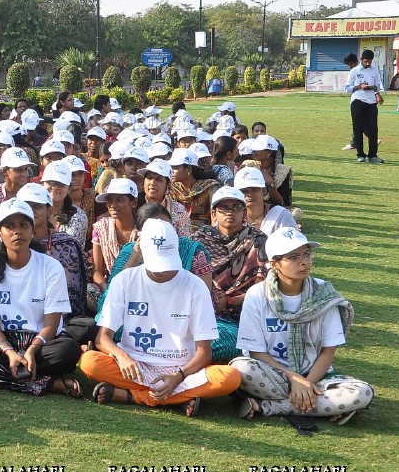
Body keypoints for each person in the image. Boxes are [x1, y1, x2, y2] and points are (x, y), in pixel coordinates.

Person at [80, 218, 241, 416]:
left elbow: (204, 353)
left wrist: (178, 376)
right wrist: (122, 357)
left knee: (230, 377)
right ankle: (177, 399)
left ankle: (132, 396)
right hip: (135, 365)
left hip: (182, 370)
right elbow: (102, 337)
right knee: (90, 362)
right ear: (141, 252)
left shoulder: (195, 286)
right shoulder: (125, 280)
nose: (163, 271)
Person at [230, 228, 372, 425]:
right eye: (293, 257)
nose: (304, 262)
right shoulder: (257, 294)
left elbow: (328, 351)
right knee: (241, 368)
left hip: (316, 376)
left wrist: (307, 382)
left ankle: (269, 406)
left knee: (362, 393)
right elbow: (256, 352)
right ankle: (319, 407)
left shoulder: (323, 295)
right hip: (273, 375)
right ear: (274, 264)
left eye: (306, 254)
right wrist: (294, 379)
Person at [0, 198, 82, 396]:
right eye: (9, 226)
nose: (17, 231)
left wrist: (30, 351)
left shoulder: (51, 267)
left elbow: (52, 325)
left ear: (32, 230)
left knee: (69, 350)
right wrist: (11, 353)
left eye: (23, 225)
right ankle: (49, 383)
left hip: (40, 343)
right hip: (4, 343)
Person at [194, 187, 268, 323]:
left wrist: (230, 301)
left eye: (236, 207)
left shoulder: (257, 240)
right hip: (204, 306)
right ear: (214, 214)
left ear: (244, 212)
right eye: (224, 208)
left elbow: (263, 286)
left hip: (247, 307)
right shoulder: (200, 240)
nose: (230, 212)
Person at [17, 182, 87, 319]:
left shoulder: (66, 244)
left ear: (49, 211)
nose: (31, 211)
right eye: (26, 206)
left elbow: (71, 292)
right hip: (17, 312)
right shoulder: (10, 243)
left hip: (57, 315)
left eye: (37, 206)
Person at [91, 178, 139, 295]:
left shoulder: (143, 230)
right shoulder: (101, 228)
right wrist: (107, 288)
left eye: (120, 200)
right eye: (110, 200)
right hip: (110, 286)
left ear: (133, 203)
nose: (113, 205)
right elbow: (97, 271)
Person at [344, 48, 384, 164]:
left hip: (371, 102)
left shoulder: (374, 70)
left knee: (373, 129)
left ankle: (373, 155)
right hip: (358, 101)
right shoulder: (354, 71)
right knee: (358, 129)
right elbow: (347, 88)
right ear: (361, 60)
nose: (368, 64)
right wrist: (359, 86)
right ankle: (360, 155)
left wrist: (371, 89)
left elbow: (377, 86)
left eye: (369, 62)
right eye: (366, 61)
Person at [137, 159, 192, 237]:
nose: (152, 183)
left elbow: (186, 241)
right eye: (149, 178)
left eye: (159, 180)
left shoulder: (178, 211)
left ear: (167, 186)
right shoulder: (134, 205)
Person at [168, 148, 220, 230]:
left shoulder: (210, 187)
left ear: (188, 169)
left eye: (175, 168)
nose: (171, 171)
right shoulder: (172, 188)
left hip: (205, 233)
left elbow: (216, 216)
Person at [0, 147, 33, 226]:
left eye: (25, 169)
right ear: (4, 171)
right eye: (18, 170)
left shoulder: (32, 194)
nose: (24, 174)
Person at [235, 167, 297, 235]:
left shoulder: (281, 215)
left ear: (264, 191)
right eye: (244, 191)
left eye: (255, 189)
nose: (249, 194)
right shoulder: (232, 217)